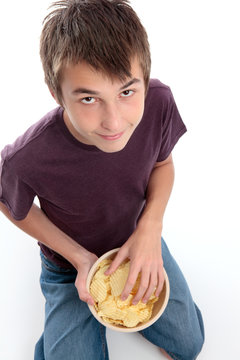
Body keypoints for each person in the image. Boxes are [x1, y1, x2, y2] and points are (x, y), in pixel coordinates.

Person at [0, 0, 204, 359]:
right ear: (57, 95)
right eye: (90, 98)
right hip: (68, 266)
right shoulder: (28, 156)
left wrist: (150, 228)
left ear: (144, 79)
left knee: (191, 344)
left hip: (136, 240)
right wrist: (79, 259)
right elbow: (8, 201)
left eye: (127, 92)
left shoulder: (159, 102)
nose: (114, 121)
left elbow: (163, 164)